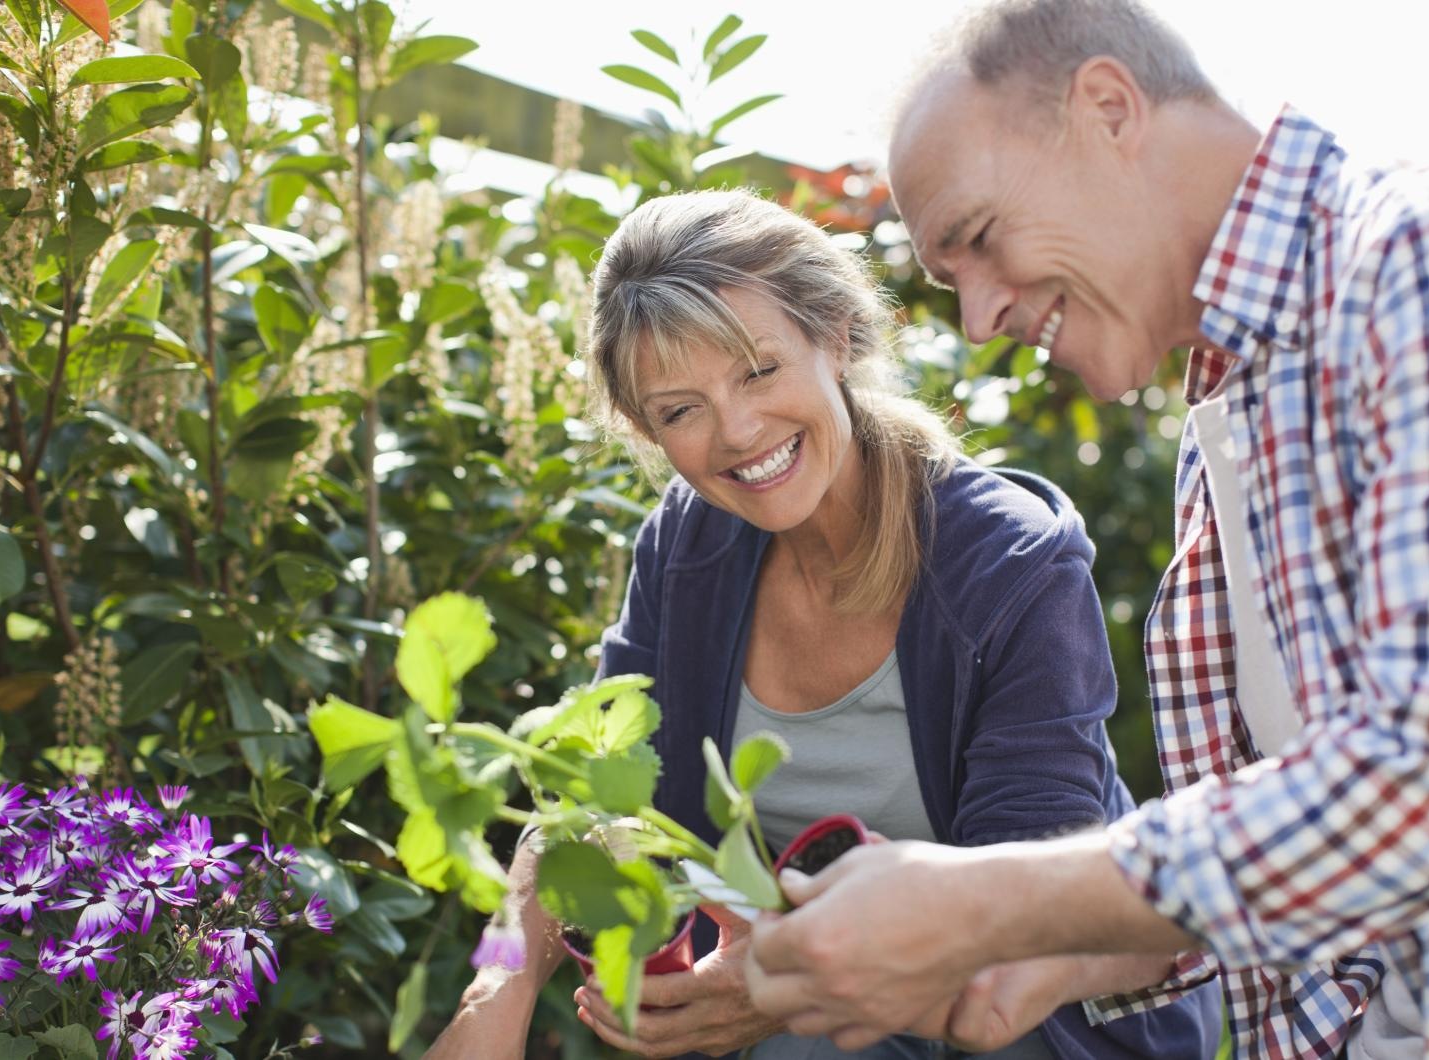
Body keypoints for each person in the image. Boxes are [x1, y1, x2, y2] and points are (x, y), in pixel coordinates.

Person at [743, 1, 1429, 1057]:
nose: (978, 318)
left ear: (1110, 108)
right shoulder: (1237, 415)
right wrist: (1057, 953)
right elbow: (1328, 854)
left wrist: (989, 899)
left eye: (979, 241)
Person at [425, 189, 1221, 1059]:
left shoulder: (1009, 565)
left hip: (1036, 1025)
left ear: (836, 336)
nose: (736, 432)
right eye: (680, 410)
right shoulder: (688, 549)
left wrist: (778, 994)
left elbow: (1025, 920)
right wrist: (492, 993)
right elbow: (584, 796)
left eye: (759, 370)